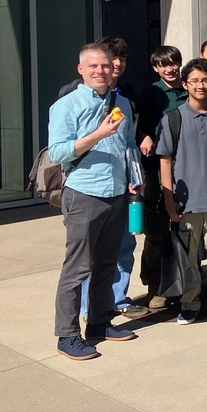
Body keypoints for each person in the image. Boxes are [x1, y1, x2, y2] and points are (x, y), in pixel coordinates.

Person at [49, 43, 141, 359]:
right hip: (84, 193)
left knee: (106, 263)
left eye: (105, 65)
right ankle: (67, 335)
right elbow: (58, 152)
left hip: (117, 193)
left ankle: (100, 323)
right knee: (77, 268)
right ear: (81, 70)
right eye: (93, 66)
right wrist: (98, 135)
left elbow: (129, 144)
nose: (100, 71)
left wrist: (134, 175)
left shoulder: (124, 104)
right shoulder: (66, 105)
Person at [68, 36, 147, 321]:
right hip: (87, 188)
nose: (114, 65)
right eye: (108, 60)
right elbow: (62, 147)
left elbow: (128, 143)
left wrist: (134, 175)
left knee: (124, 245)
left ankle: (116, 298)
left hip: (121, 183)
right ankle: (89, 308)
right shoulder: (72, 96)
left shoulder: (126, 97)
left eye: (120, 60)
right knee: (88, 254)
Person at [157, 60, 207, 324]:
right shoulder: (174, 118)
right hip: (186, 203)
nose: (201, 85)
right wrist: (169, 200)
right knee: (189, 257)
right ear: (185, 85)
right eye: (194, 81)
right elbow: (165, 160)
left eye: (205, 80)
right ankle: (189, 303)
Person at [135, 45, 187, 310]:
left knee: (185, 231)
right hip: (156, 172)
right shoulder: (150, 94)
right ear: (156, 68)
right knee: (156, 231)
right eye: (163, 64)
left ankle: (184, 283)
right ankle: (154, 285)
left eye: (174, 62)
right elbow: (134, 125)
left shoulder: (190, 90)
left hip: (187, 171)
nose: (170, 68)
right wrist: (143, 134)